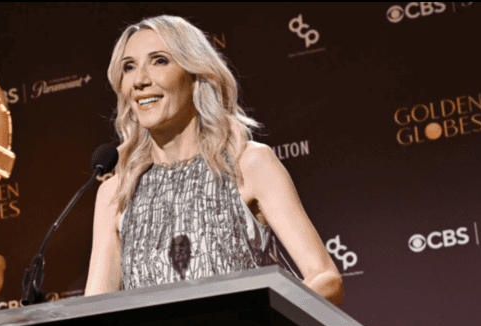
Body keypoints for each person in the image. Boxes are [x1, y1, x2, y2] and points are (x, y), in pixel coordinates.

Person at [84, 15, 343, 306]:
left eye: (159, 61)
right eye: (129, 67)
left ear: (194, 73)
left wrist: (258, 319)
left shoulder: (249, 163)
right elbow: (93, 314)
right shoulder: (117, 192)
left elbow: (325, 279)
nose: (140, 80)